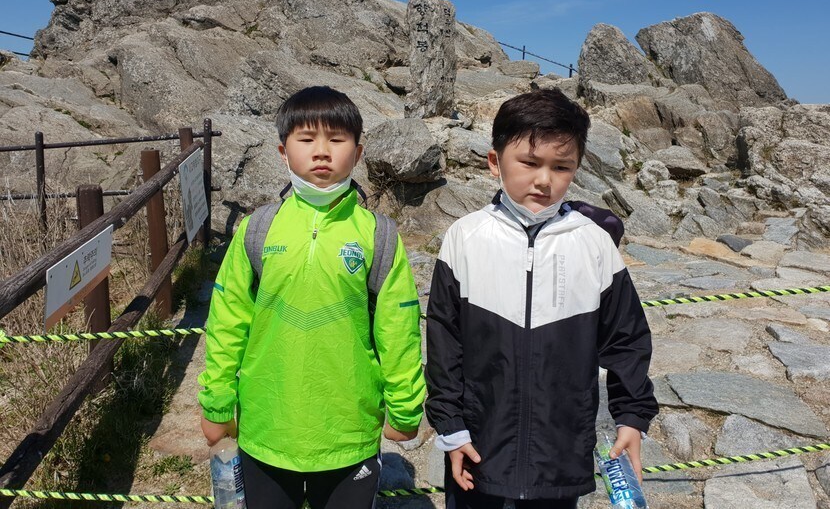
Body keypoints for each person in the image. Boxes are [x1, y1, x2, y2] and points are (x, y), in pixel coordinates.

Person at [425, 89, 658, 509]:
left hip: (561, 452)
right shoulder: (465, 237)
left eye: (561, 166)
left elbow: (626, 338)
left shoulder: (595, 243)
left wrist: (632, 417)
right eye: (529, 163)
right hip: (478, 446)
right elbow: (444, 341)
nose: (545, 180)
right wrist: (451, 426)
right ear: (494, 161)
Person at [198, 86, 425, 509]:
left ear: (358, 153)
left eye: (336, 139)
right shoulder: (256, 230)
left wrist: (405, 408)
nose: (321, 151)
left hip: (350, 433)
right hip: (266, 429)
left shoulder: (379, 236)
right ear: (283, 152)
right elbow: (227, 322)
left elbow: (399, 329)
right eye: (306, 139)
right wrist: (216, 404)